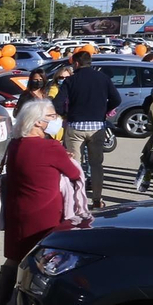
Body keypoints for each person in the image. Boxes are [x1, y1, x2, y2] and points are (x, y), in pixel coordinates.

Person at [0, 100, 81, 305]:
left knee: (13, 260)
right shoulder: (51, 148)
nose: (55, 119)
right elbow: (73, 172)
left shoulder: (16, 144)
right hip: (45, 214)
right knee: (44, 265)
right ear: (39, 122)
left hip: (17, 211)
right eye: (51, 116)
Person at [53, 50, 120, 208]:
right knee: (96, 164)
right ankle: (97, 199)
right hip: (97, 126)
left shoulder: (71, 81)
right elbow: (116, 99)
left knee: (75, 164)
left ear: (76, 63)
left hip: (76, 126)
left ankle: (76, 201)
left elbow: (56, 104)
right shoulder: (103, 78)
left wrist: (65, 114)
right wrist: (104, 111)